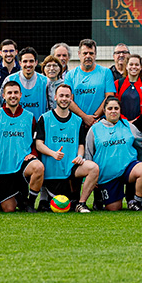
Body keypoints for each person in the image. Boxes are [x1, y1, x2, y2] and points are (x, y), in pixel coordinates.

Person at [35, 85, 99, 213]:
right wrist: (53, 153)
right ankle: (44, 196)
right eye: (61, 95)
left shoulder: (78, 121)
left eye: (67, 96)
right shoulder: (45, 118)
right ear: (55, 97)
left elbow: (81, 144)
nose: (64, 98)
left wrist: (80, 156)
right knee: (59, 205)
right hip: (52, 171)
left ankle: (81, 203)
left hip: (71, 168)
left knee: (93, 168)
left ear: (71, 98)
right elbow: (38, 144)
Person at [0, 79, 43, 213]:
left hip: (23, 165)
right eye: (9, 93)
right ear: (3, 96)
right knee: (8, 209)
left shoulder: (29, 117)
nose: (13, 96)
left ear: (21, 95)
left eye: (16, 92)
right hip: (3, 169)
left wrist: (33, 153)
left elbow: (36, 141)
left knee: (38, 166)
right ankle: (19, 200)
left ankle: (30, 203)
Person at [85, 96, 142, 211]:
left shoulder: (129, 126)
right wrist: (92, 176)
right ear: (105, 111)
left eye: (116, 108)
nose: (113, 111)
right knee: (114, 208)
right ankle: (99, 197)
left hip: (128, 169)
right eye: (110, 108)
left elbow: (141, 146)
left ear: (120, 110)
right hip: (107, 174)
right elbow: (89, 152)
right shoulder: (95, 129)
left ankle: (136, 202)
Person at [65, 39, 115, 125]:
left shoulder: (106, 72)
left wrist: (94, 118)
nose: (88, 56)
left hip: (100, 122)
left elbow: (109, 97)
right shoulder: (70, 75)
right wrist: (84, 117)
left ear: (95, 55)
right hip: (76, 123)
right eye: (85, 53)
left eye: (91, 53)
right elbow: (68, 100)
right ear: (79, 54)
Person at [115, 54, 142, 121]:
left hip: (141, 126)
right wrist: (124, 120)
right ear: (126, 66)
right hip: (121, 123)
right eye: (131, 64)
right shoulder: (118, 84)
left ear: (141, 67)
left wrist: (137, 121)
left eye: (137, 65)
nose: (134, 67)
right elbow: (114, 106)